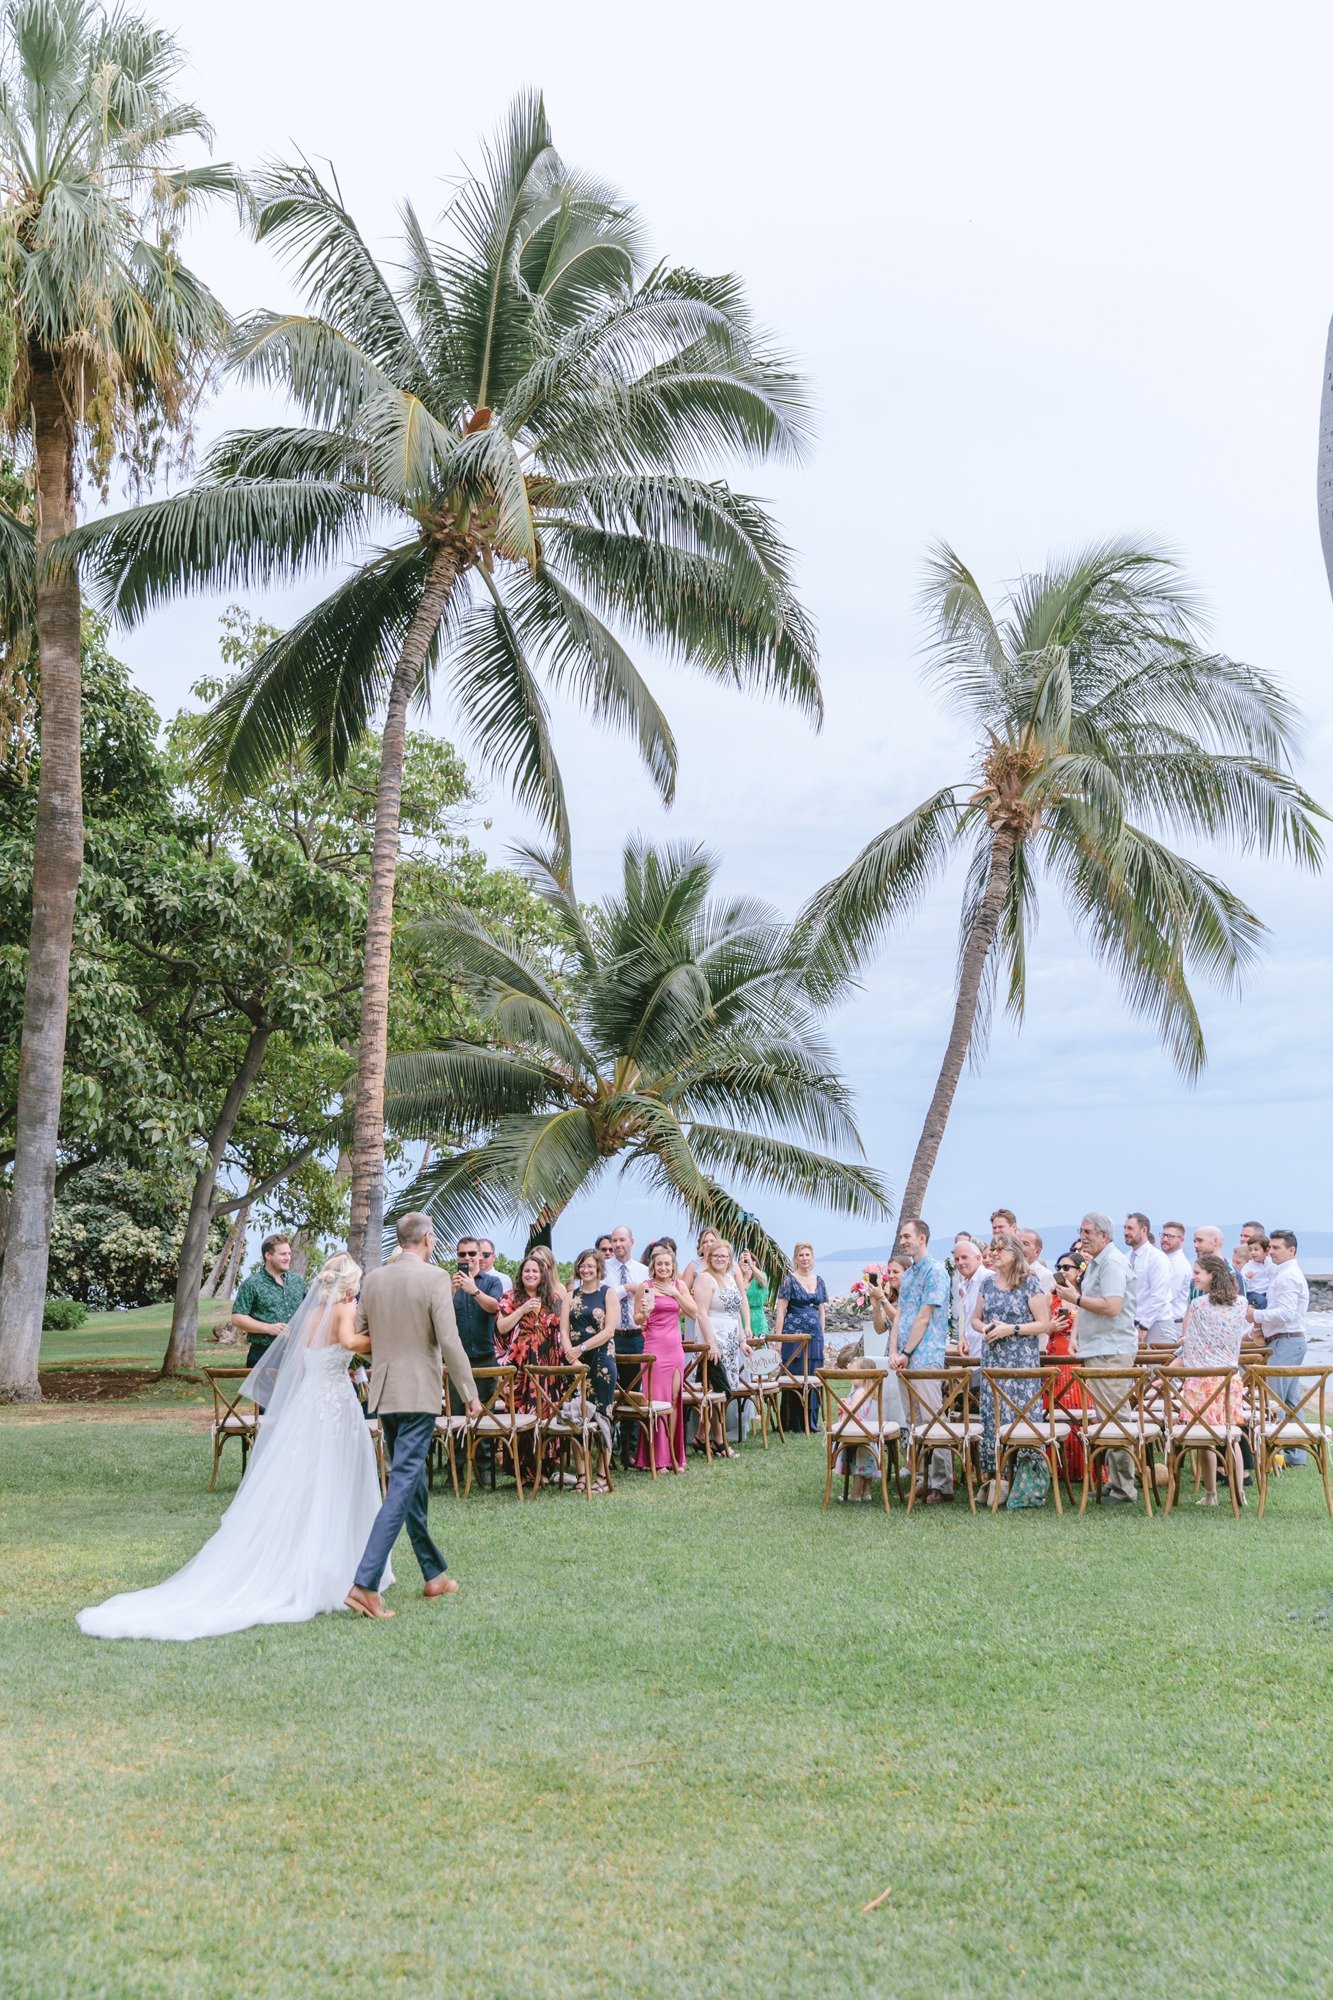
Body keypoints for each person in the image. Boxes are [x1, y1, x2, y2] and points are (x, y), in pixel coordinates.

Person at [79, 1255, 389, 1640]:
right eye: (357, 1283)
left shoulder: (310, 1315)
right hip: (335, 1405)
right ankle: (333, 1570)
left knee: (306, 1481)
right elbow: (347, 1342)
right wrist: (384, 1336)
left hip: (310, 1403)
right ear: (348, 1284)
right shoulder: (345, 1308)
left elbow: (301, 1366)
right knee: (336, 1481)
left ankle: (310, 1560)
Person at [345, 1218, 482, 1619]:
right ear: (426, 1239)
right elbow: (450, 1339)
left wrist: (388, 1356)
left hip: (386, 1393)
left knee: (412, 1481)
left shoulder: (373, 1279)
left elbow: (359, 1334)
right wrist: (470, 1394)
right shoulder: (436, 1277)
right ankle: (365, 1583)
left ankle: (433, 1575)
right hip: (420, 1392)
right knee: (404, 1482)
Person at [1056, 1212, 1137, 1504]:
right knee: (1107, 1418)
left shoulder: (1112, 1263)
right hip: (1099, 1348)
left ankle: (1125, 1488)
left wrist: (1075, 1298)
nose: (1082, 1235)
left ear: (1104, 1235)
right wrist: (1077, 1335)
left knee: (1116, 1418)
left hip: (1111, 1350)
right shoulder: (1097, 1264)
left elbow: (1112, 1306)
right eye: (1081, 1230)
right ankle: (1115, 1481)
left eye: (1088, 1231)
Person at [973, 1234, 1052, 1508]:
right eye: (991, 1250)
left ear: (1015, 1253)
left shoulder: (1030, 1284)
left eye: (998, 1249)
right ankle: (998, 1481)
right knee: (994, 1419)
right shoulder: (986, 1283)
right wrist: (983, 1328)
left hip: (1020, 1364)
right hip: (993, 1360)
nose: (992, 1254)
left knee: (1021, 1419)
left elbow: (1043, 1323)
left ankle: (1026, 1486)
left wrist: (1012, 1329)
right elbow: (975, 1318)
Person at [1176, 1252, 1248, 1505]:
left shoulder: (1197, 1306)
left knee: (1204, 1440)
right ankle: (1239, 1493)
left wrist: (1180, 1353)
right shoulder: (1240, 1303)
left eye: (1198, 1272)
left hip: (1201, 1380)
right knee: (1232, 1438)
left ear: (1212, 1275)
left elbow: (1191, 1346)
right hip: (1229, 1379)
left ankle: (1211, 1494)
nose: (1193, 1277)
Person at [891, 1218, 953, 1501]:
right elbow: (900, 1315)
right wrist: (894, 1351)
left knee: (933, 1420)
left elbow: (924, 1316)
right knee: (912, 1420)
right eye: (902, 1237)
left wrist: (906, 1353)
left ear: (922, 1238)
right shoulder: (910, 1274)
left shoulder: (936, 1271)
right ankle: (921, 1476)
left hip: (926, 1356)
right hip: (904, 1357)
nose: (903, 1241)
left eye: (907, 1236)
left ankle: (942, 1483)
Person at [561, 1248, 621, 1494]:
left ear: (599, 1269)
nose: (586, 1270)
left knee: (603, 1417)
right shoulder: (569, 1296)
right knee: (575, 1417)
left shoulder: (608, 1294)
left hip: (602, 1361)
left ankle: (601, 1477)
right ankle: (581, 1475)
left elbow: (609, 1331)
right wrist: (571, 1355)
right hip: (574, 1363)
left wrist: (582, 1347)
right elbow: (563, 1330)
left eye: (591, 1266)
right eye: (583, 1266)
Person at [634, 1243, 698, 1471]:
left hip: (674, 1348)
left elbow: (694, 1312)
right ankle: (656, 1457)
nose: (663, 1267)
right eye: (659, 1263)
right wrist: (645, 1313)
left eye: (667, 1264)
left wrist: (675, 1294)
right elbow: (637, 1320)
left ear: (673, 1267)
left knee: (673, 1400)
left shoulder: (679, 1285)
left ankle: (673, 1455)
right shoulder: (646, 1286)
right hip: (653, 1348)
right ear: (653, 1266)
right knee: (655, 1400)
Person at [1250, 1229, 1310, 1464]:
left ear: (1291, 1250)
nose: (1270, 1251)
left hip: (1287, 1339)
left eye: (1276, 1248)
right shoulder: (1281, 1272)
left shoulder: (1288, 1276)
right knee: (1292, 1400)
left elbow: (1286, 1312)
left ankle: (1278, 1456)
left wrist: (1255, 1314)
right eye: (1270, 1247)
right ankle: (1296, 1456)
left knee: (1274, 1400)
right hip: (1288, 1340)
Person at [693, 1237, 750, 1453]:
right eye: (715, 1255)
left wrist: (742, 1340)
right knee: (721, 1390)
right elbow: (701, 1314)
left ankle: (701, 1437)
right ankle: (719, 1440)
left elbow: (735, 1311)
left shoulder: (729, 1278)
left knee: (725, 1392)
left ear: (729, 1259)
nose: (719, 1259)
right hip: (714, 1341)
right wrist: (711, 1344)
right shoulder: (704, 1279)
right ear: (709, 1257)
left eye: (723, 1256)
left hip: (731, 1342)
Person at [230, 1233, 308, 1374]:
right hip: (263, 1355)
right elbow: (237, 1317)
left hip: (296, 1355)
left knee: (296, 1397)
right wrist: (268, 1328)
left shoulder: (298, 1282)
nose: (288, 1258)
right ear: (268, 1255)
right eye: (283, 1254)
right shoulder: (252, 1284)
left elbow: (310, 1311)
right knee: (265, 1397)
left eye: (289, 1253)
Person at [497, 1255, 564, 1415]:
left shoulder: (553, 1298)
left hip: (547, 1362)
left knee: (546, 1409)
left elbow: (561, 1329)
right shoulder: (510, 1296)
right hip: (519, 1363)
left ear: (542, 1274)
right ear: (521, 1274)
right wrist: (522, 1310)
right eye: (526, 1271)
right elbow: (501, 1328)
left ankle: (544, 1440)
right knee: (517, 1409)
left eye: (535, 1271)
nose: (531, 1274)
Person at [774, 1241, 828, 1433]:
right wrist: (778, 1340)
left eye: (807, 1255)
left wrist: (821, 1333)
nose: (804, 1258)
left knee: (813, 1375)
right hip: (793, 1335)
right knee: (795, 1376)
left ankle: (811, 1421)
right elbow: (781, 1311)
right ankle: (793, 1422)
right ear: (795, 1259)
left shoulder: (819, 1280)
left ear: (812, 1258)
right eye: (801, 1255)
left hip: (815, 1337)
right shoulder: (789, 1280)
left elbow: (822, 1310)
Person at [606, 1225, 650, 1461]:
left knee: (633, 1392)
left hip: (634, 1337)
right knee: (611, 1391)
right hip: (612, 1336)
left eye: (622, 1239)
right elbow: (604, 1296)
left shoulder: (643, 1271)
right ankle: (609, 1449)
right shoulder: (603, 1269)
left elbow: (649, 1299)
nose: (618, 1244)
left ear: (632, 1241)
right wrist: (626, 1288)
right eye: (614, 1240)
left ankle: (631, 1449)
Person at [1045, 1252, 1087, 1483]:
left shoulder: (1086, 1297)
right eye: (1059, 1267)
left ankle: (1080, 1468)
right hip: (1055, 1355)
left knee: (1077, 1409)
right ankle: (1058, 1468)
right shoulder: (1051, 1296)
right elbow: (1041, 1326)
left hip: (1076, 1355)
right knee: (1055, 1407)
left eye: (1067, 1267)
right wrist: (1050, 1326)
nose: (1062, 1271)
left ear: (1080, 1271)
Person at [1124, 1213, 1174, 1345]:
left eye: (1130, 1228)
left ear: (1144, 1230)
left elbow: (1158, 1296)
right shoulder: (1126, 1258)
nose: (1126, 1232)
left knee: (1157, 1365)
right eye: (1125, 1228)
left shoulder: (1157, 1258)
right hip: (1133, 1324)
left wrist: (1143, 1326)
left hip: (1156, 1324)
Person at [1160, 1221, 1192, 1338]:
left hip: (1173, 1323)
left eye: (1170, 1236)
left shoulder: (1179, 1264)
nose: (1165, 1239)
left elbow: (1168, 1295)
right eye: (1163, 1235)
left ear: (1181, 1240)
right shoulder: (1165, 1259)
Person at [1234, 1224, 1276, 1310]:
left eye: (1256, 1250)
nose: (1253, 1252)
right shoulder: (1249, 1266)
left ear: (1266, 1250)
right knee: (1261, 1301)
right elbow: (1241, 1282)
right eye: (1250, 1250)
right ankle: (1258, 1321)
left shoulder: (1271, 1263)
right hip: (1253, 1293)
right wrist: (1247, 1277)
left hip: (1266, 1292)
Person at [682, 1226, 722, 1295]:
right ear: (701, 1245)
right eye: (705, 1242)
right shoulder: (693, 1266)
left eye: (712, 1241)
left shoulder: (729, 1264)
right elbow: (683, 1293)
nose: (709, 1244)